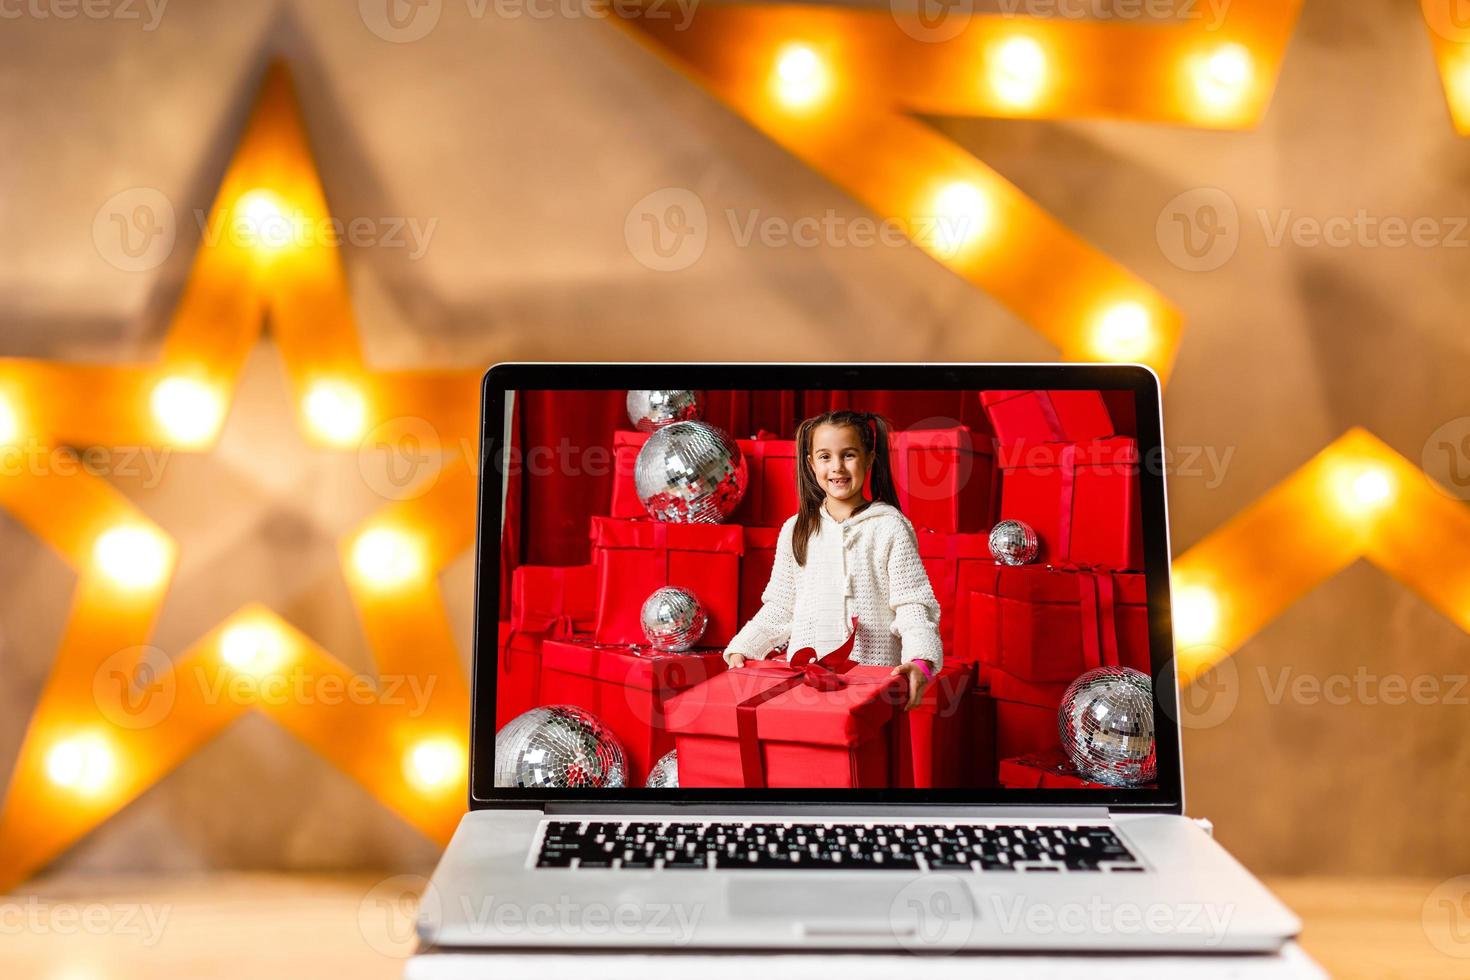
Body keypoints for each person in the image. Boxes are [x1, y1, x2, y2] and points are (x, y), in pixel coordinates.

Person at [723, 409, 942, 709]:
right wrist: (744, 647)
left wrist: (922, 661)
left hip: (872, 684)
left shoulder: (889, 527)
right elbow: (781, 605)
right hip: (805, 684)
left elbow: (913, 604)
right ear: (811, 464)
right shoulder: (796, 529)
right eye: (825, 457)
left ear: (869, 458)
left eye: (848, 455)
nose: (837, 467)